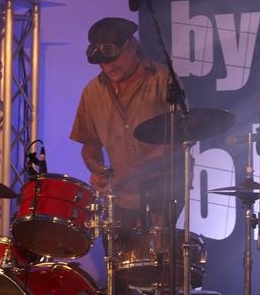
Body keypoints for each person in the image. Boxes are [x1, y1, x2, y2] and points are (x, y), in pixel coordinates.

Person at [69, 17, 184, 233]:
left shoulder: (163, 80)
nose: (108, 67)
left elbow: (177, 140)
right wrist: (98, 170)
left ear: (130, 46)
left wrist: (130, 172)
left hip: (162, 190)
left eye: (113, 60)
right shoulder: (92, 91)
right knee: (118, 253)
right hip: (119, 196)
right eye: (102, 63)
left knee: (151, 250)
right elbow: (90, 144)